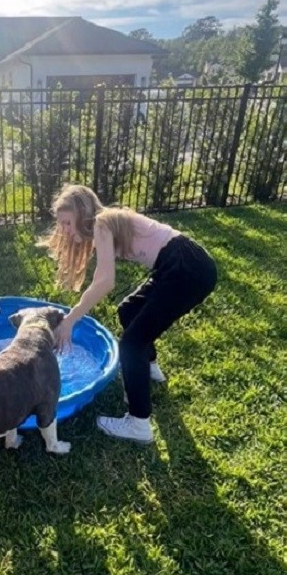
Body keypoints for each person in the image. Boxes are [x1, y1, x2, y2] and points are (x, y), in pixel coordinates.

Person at [39, 185, 217, 444]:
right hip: (182, 263)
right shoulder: (106, 222)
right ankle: (149, 368)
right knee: (129, 310)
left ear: (81, 213)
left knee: (131, 345)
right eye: (61, 224)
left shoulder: (102, 223)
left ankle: (138, 424)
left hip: (185, 267)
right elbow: (102, 275)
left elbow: (105, 282)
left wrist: (71, 319)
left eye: (67, 222)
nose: (64, 230)